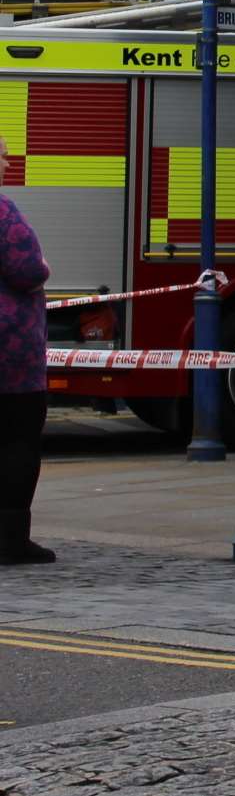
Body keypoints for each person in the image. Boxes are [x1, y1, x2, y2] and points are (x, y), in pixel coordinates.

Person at [0, 136, 54, 565]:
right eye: (1, 156)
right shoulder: (3, 212)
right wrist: (44, 272)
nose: (7, 163)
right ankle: (10, 540)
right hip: (11, 356)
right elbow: (27, 269)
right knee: (17, 443)